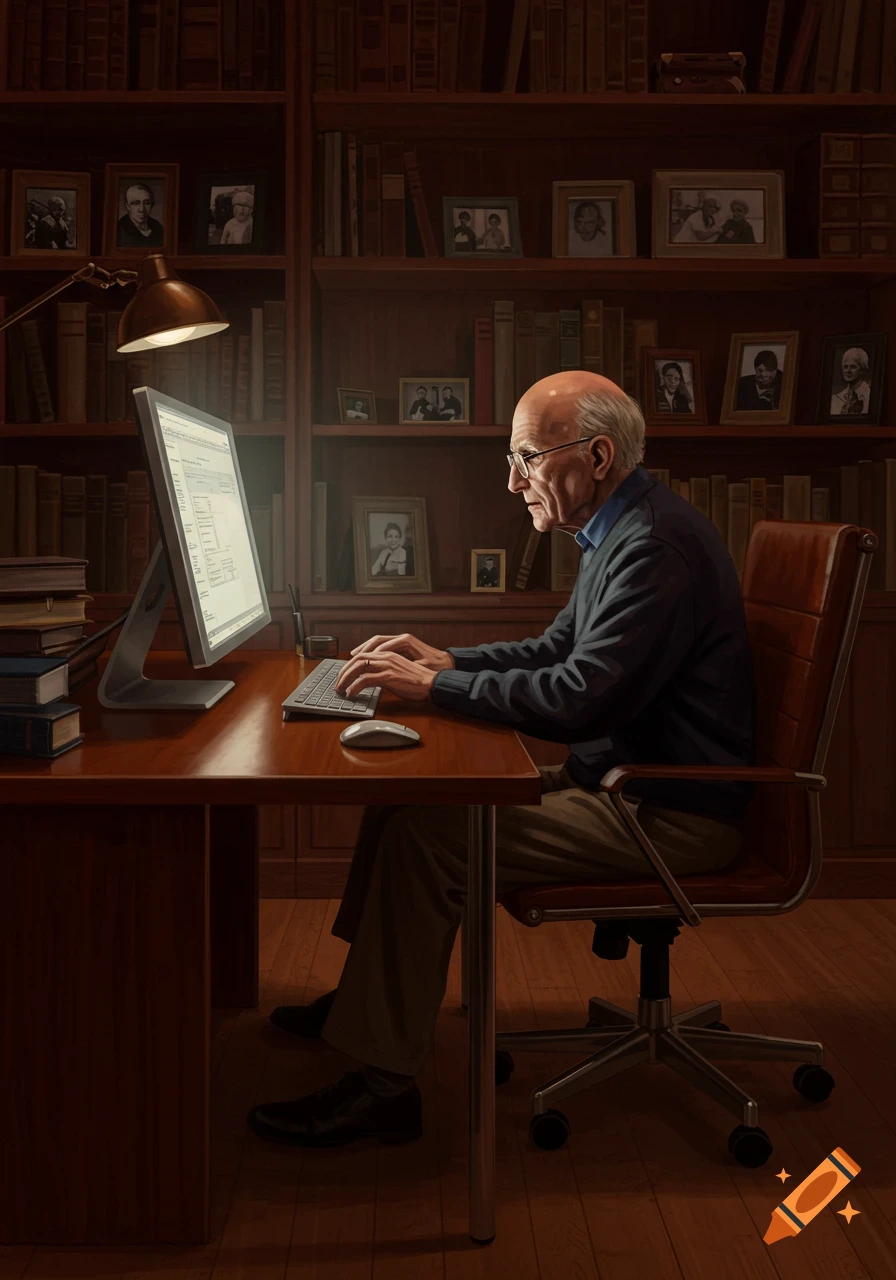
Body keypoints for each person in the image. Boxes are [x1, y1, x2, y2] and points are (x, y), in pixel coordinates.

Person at [247, 369, 756, 1150]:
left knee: (430, 838)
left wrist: (435, 688)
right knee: (406, 800)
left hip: (669, 810)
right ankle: (364, 1005)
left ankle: (383, 1089)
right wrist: (448, 660)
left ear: (596, 456)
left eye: (526, 458)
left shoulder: (653, 548)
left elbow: (579, 698)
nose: (513, 481)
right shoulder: (623, 528)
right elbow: (559, 649)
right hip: (624, 784)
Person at [117, 182, 164, 248]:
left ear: (152, 204)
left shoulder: (158, 228)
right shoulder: (118, 231)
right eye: (136, 203)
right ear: (127, 206)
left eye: (147, 203)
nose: (142, 209)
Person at [830, 347, 871, 415]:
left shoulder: (869, 395)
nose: (848, 371)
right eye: (845, 367)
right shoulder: (836, 398)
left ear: (862, 370)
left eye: (853, 367)